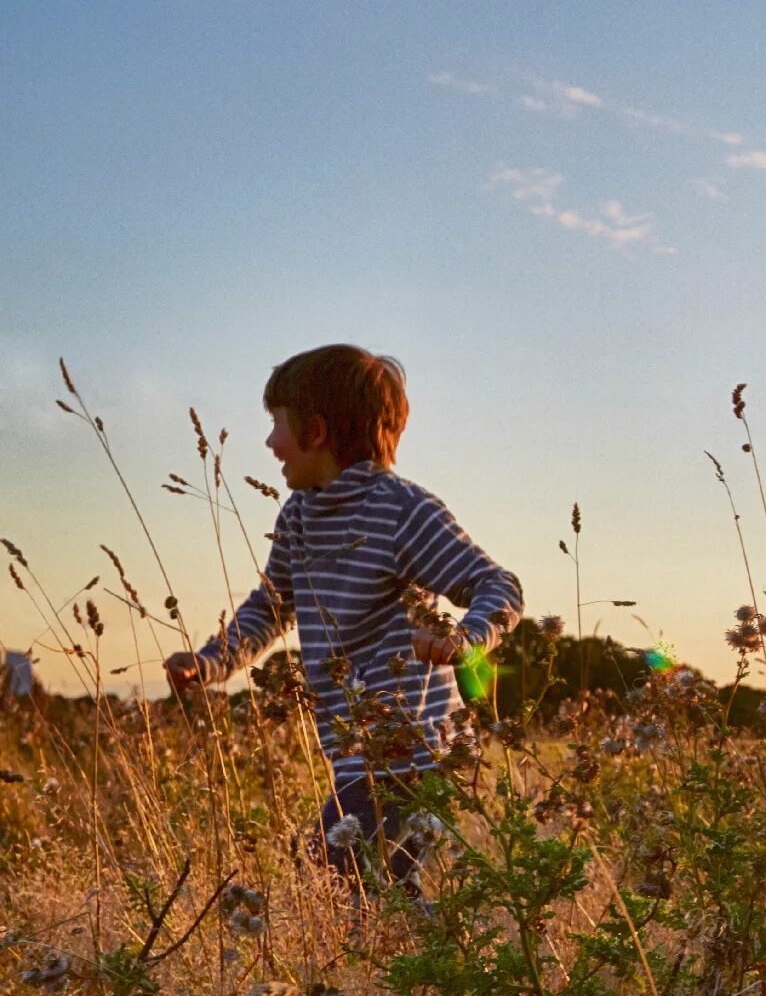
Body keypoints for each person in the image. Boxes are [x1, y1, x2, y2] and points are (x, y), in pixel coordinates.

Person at [166, 346, 522, 889]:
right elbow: (271, 606)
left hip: (415, 747)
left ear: (316, 431)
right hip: (357, 750)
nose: (269, 443)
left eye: (277, 425)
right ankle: (428, 967)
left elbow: (498, 585)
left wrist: (464, 639)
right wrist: (211, 661)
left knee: (335, 865)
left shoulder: (401, 509)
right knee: (378, 895)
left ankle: (420, 963)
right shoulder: (300, 517)